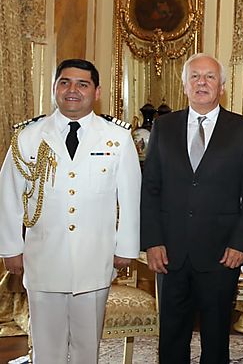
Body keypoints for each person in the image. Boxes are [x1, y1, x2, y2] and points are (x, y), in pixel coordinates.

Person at [0, 59, 141, 363]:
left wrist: (126, 247)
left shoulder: (116, 137)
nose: (72, 90)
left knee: (86, 349)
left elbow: (131, 197)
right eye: (65, 82)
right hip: (43, 261)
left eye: (82, 84)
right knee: (45, 349)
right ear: (55, 88)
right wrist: (10, 247)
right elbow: (8, 195)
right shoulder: (28, 136)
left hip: (94, 262)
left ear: (97, 91)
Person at [140, 53, 243, 363]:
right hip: (170, 252)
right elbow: (150, 189)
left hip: (222, 254)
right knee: (171, 337)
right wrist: (152, 242)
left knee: (216, 338)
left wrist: (240, 243)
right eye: (195, 76)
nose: (202, 82)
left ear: (221, 86)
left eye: (209, 77)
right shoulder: (164, 127)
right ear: (185, 85)